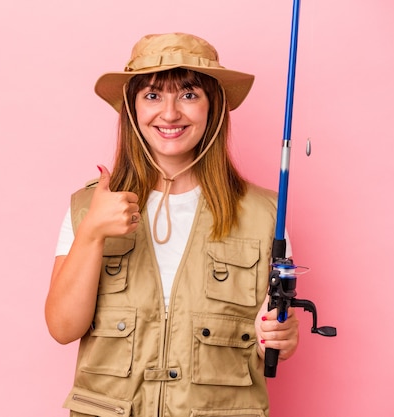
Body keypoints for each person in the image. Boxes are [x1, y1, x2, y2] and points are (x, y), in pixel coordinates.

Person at [45, 32, 299, 417]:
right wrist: (93, 233)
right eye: (152, 95)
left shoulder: (266, 214)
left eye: (189, 94)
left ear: (213, 106)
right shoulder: (89, 206)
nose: (169, 113)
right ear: (131, 109)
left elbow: (271, 338)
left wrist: (282, 335)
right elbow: (63, 328)